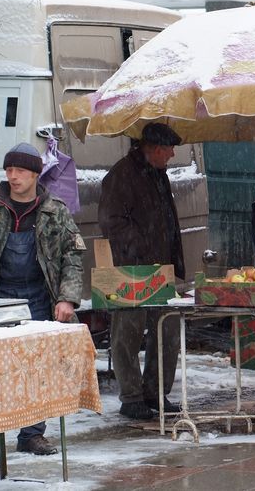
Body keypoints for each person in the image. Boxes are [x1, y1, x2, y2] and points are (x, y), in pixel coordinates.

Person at [0, 143, 85, 457]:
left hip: (37, 299)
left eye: (20, 171)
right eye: (9, 170)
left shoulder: (55, 211)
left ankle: (31, 435)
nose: (13, 177)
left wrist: (67, 298)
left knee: (34, 368)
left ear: (36, 175)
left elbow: (73, 256)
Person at [99, 123, 186, 420]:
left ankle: (155, 391)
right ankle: (132, 396)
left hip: (160, 268)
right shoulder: (122, 175)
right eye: (170, 149)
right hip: (131, 269)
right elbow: (112, 221)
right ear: (156, 149)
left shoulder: (158, 174)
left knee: (168, 329)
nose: (173, 155)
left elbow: (167, 221)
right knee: (128, 332)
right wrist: (139, 251)